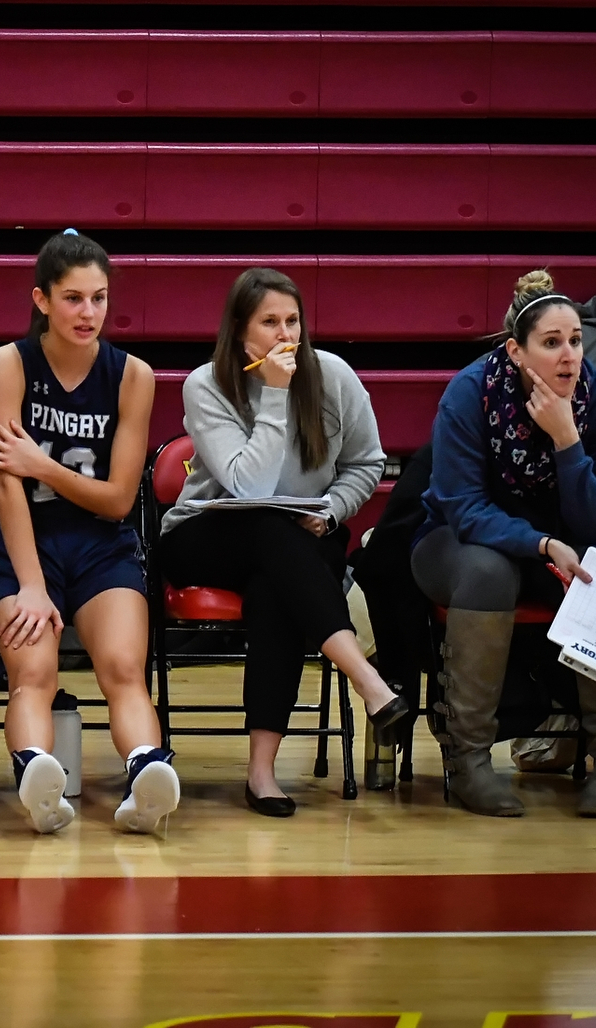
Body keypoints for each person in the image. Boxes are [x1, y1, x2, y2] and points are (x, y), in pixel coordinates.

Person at [158, 267, 407, 817]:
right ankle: (366, 677)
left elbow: (366, 464)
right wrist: (274, 393)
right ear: (240, 333)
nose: (285, 335)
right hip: (209, 532)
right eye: (269, 322)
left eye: (293, 321)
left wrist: (332, 510)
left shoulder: (334, 377)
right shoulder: (206, 384)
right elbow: (249, 486)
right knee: (270, 530)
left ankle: (262, 772)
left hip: (303, 531)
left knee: (278, 582)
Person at [411, 270, 596, 818]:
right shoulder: (470, 392)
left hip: (560, 542)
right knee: (490, 571)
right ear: (517, 350)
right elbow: (462, 509)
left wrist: (567, 441)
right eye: (552, 343)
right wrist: (540, 543)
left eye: (576, 341)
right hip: (455, 541)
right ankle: (468, 760)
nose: (569, 356)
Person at [0, 229, 178, 835]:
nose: (87, 313)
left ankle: (146, 776)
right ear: (42, 300)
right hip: (23, 545)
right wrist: (32, 584)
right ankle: (39, 778)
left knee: (122, 666)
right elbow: (5, 485)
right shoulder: (10, 362)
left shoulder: (133, 375)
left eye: (98, 298)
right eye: (72, 298)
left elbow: (119, 499)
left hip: (102, 544)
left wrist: (42, 464)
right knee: (33, 672)